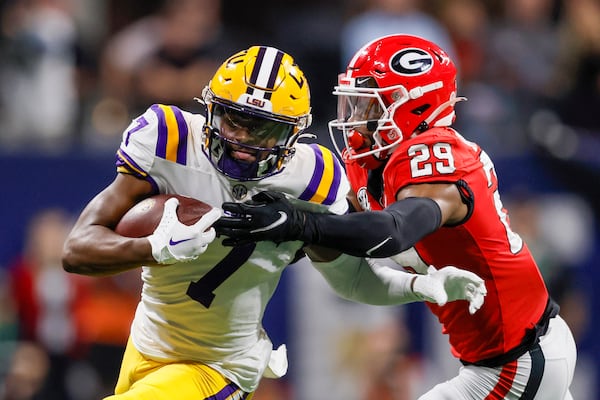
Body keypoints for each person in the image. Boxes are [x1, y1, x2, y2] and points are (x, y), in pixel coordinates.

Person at [61, 45, 486, 399]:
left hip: (220, 364)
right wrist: (154, 248)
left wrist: (419, 286)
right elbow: (77, 249)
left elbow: (351, 280)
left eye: (264, 130)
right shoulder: (167, 138)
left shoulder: (312, 179)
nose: (244, 141)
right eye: (234, 120)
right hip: (145, 343)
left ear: (293, 135)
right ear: (210, 110)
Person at [215, 35, 578, 399]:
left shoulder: (438, 155)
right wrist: (307, 229)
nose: (356, 121)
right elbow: (352, 277)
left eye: (371, 106)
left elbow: (393, 231)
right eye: (355, 104)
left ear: (415, 107)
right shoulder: (372, 164)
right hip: (507, 354)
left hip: (516, 360)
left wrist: (299, 223)